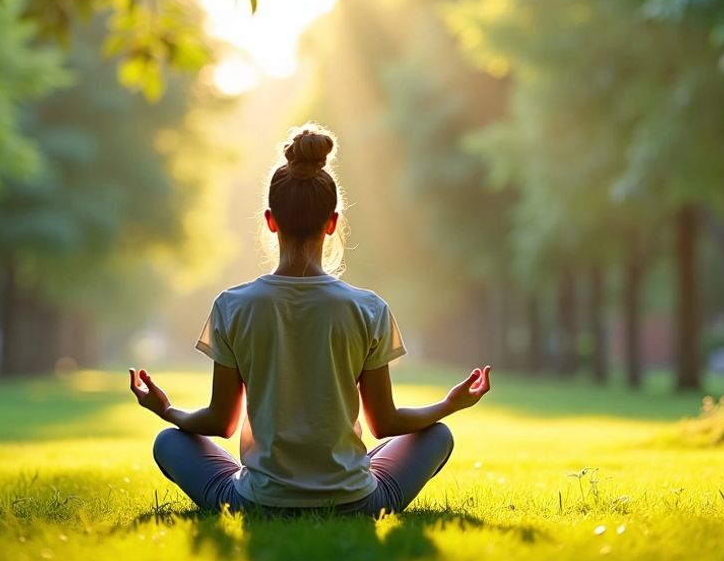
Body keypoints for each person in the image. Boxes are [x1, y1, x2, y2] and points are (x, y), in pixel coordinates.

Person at [128, 123, 491, 515]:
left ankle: (259, 485)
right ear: (332, 223)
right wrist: (449, 404)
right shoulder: (368, 308)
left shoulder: (232, 306)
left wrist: (166, 409)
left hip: (258, 503)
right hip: (357, 503)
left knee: (169, 441)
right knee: (437, 435)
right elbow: (384, 422)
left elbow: (221, 421)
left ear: (270, 220)